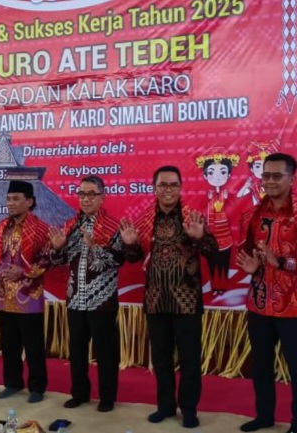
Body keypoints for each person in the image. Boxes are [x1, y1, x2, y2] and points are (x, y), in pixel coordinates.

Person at [120, 166, 218, 429]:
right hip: (156, 300)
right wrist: (130, 244)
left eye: (173, 185)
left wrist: (200, 238)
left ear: (180, 187)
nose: (168, 190)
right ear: (154, 188)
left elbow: (213, 251)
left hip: (187, 301)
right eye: (163, 185)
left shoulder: (192, 216)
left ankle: (189, 410)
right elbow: (133, 259)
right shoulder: (144, 219)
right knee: (161, 359)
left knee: (189, 359)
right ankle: (165, 406)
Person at [235, 153, 297, 433]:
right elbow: (247, 251)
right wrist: (251, 265)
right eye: (266, 176)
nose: (270, 181)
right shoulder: (254, 213)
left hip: (294, 305)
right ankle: (264, 416)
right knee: (261, 365)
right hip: (259, 301)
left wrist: (283, 262)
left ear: (292, 178)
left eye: (277, 176)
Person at [48, 175, 124, 413]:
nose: (86, 199)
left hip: (102, 300)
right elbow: (58, 261)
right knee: (77, 351)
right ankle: (79, 394)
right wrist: (57, 249)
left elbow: (118, 260)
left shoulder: (113, 227)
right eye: (82, 194)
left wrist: (94, 247)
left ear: (102, 197)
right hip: (75, 299)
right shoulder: (71, 226)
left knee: (106, 352)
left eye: (92, 194)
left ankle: (107, 397)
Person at [0, 180, 51, 403]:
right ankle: (12, 383)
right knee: (9, 343)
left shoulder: (41, 229)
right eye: (8, 199)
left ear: (30, 202)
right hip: (4, 296)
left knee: (33, 345)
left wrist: (23, 272)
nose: (10, 203)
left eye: (16, 199)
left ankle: (37, 387)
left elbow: (47, 260)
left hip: (28, 296)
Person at [197, 154, 240, 294]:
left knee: (223, 264)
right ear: (205, 176)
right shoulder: (206, 195)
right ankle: (215, 287)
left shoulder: (227, 194)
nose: (217, 177)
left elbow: (234, 211)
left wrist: (225, 201)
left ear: (229, 175)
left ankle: (223, 286)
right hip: (210, 236)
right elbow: (201, 211)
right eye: (211, 173)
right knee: (212, 264)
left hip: (225, 236)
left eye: (222, 172)